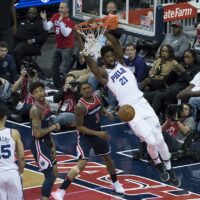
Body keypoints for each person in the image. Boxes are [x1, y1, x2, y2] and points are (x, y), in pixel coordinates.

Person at [77, 31, 181, 186]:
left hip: (142, 102)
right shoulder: (104, 74)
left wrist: (105, 29)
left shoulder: (121, 62)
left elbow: (116, 44)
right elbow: (90, 61)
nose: (111, 58)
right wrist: (79, 37)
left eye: (112, 55)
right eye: (107, 57)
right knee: (151, 141)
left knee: (159, 138)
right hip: (130, 110)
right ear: (103, 60)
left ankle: (169, 168)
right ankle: (158, 164)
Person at [51, 82, 125, 199]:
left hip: (97, 133)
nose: (87, 90)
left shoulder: (97, 96)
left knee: (107, 158)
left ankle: (115, 183)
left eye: (88, 87)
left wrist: (107, 113)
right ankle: (60, 190)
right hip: (85, 136)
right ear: (80, 92)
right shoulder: (80, 107)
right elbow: (79, 127)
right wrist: (98, 133)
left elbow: (100, 109)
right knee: (82, 164)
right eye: (84, 89)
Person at [29, 82, 61, 200]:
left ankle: (46, 195)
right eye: (36, 92)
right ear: (32, 95)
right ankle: (45, 197)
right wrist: (53, 127)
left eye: (41, 90)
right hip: (38, 145)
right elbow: (37, 134)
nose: (40, 93)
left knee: (55, 172)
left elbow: (46, 126)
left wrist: (53, 144)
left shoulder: (47, 104)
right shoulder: (35, 110)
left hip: (47, 142)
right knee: (50, 176)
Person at [40, 0, 75, 88]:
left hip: (67, 47)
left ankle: (65, 88)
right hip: (58, 46)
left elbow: (66, 34)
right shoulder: (55, 16)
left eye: (62, 8)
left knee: (63, 70)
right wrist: (44, 20)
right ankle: (57, 86)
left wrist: (60, 22)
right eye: (59, 7)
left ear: (67, 9)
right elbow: (47, 28)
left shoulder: (71, 19)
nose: (60, 9)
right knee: (54, 68)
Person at [0, 104, 25, 199]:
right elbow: (21, 157)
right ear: (5, 116)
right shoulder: (14, 133)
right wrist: (20, 173)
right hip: (12, 173)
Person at [13, 7, 48, 72]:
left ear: (36, 14)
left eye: (33, 13)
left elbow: (44, 36)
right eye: (30, 13)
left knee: (17, 51)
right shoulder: (22, 22)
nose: (31, 14)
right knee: (6, 49)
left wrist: (33, 40)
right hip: (18, 42)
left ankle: (18, 71)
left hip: (32, 46)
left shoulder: (39, 23)